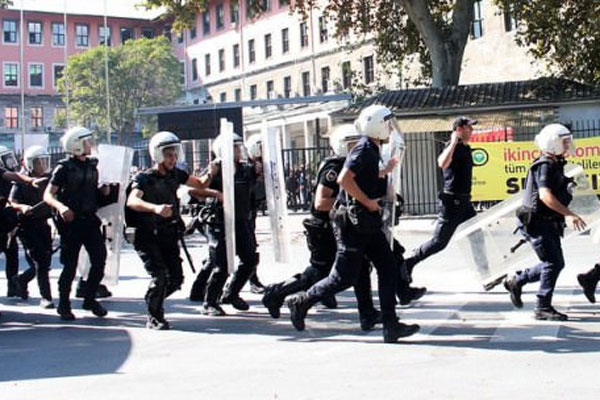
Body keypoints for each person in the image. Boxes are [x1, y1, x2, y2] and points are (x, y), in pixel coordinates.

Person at [286, 105, 420, 343]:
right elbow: (344, 179)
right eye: (388, 124)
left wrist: (384, 171)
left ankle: (391, 325)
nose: (391, 128)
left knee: (388, 267)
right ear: (377, 125)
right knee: (343, 278)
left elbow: (362, 175)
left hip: (367, 223)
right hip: (354, 222)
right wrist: (368, 201)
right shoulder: (365, 149)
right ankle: (301, 301)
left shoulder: (371, 150)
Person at [262, 125, 381, 331]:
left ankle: (367, 313)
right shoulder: (334, 167)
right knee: (320, 272)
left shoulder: (353, 164)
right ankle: (277, 294)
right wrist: (352, 201)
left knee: (361, 267)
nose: (356, 147)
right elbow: (320, 202)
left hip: (341, 225)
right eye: (352, 143)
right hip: (324, 227)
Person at [126, 131, 215, 330]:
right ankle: (154, 315)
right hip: (147, 234)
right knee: (160, 276)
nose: (173, 159)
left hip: (168, 233)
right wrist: (155, 208)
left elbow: (200, 184)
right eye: (168, 155)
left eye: (175, 154)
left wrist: (212, 170)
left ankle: (154, 299)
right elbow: (132, 200)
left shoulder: (176, 174)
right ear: (157, 155)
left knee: (175, 279)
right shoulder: (144, 178)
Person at [504, 124, 586, 320]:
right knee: (553, 263)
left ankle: (518, 280)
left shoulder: (555, 163)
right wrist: (569, 214)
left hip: (547, 222)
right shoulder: (545, 165)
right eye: (565, 141)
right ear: (553, 143)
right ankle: (542, 306)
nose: (568, 145)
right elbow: (545, 196)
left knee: (554, 263)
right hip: (537, 223)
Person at [402, 116, 488, 287]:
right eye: (469, 128)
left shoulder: (465, 148)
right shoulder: (452, 147)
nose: (472, 131)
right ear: (459, 129)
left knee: (477, 236)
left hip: (464, 201)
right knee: (439, 242)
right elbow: (441, 163)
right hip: (452, 202)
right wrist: (453, 143)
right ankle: (409, 262)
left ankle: (485, 274)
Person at [44, 126, 115, 320]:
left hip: (90, 220)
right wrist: (61, 207)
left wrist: (104, 192)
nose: (90, 144)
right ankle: (64, 303)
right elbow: (48, 195)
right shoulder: (63, 168)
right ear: (76, 144)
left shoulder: (92, 166)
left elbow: (92, 193)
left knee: (99, 259)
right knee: (70, 265)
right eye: (86, 141)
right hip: (71, 223)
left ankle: (90, 298)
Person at [188, 133, 259, 316]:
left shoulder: (245, 168)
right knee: (222, 264)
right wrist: (216, 194)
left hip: (242, 219)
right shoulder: (216, 168)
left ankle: (231, 293)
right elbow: (195, 190)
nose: (238, 150)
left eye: (238, 147)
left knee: (250, 259)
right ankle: (209, 301)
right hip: (219, 221)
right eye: (234, 147)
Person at [9, 146, 55, 308]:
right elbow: (12, 202)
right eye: (38, 162)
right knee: (41, 261)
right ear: (30, 164)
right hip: (27, 227)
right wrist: (22, 207)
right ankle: (46, 297)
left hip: (44, 225)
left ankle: (21, 280)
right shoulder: (21, 182)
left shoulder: (49, 179)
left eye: (44, 161)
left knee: (45, 260)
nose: (42, 165)